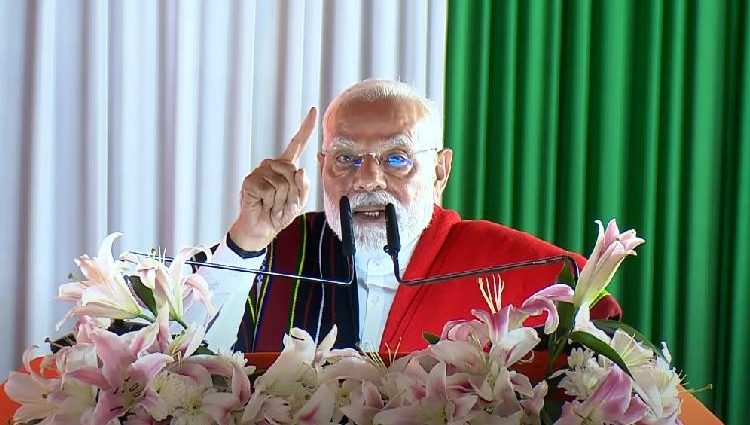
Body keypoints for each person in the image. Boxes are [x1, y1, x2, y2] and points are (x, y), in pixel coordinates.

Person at [196, 80, 621, 353]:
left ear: (439, 171)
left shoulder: (500, 261)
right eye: (345, 158)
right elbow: (180, 357)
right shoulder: (279, 249)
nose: (367, 180)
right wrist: (248, 238)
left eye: (396, 158)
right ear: (322, 167)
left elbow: (599, 350)